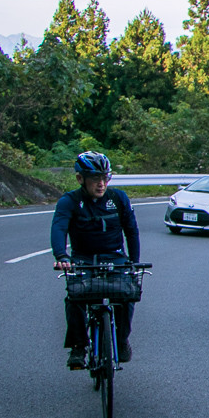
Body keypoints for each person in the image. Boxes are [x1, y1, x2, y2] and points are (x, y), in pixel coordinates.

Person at [51, 151, 141, 369]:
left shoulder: (118, 198)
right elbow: (59, 227)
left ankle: (121, 340)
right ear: (80, 179)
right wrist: (62, 256)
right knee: (75, 299)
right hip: (83, 259)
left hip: (115, 257)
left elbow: (132, 231)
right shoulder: (69, 201)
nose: (101, 184)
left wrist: (133, 262)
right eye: (95, 179)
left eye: (105, 178)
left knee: (127, 294)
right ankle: (78, 347)